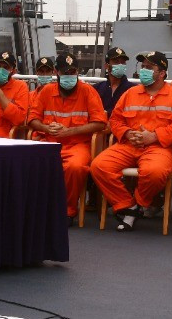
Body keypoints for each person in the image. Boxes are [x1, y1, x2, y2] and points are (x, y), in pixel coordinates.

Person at [90, 51, 172, 231]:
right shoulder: (131, 93)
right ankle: (128, 205)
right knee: (99, 166)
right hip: (128, 144)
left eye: (149, 67)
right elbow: (115, 119)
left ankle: (138, 204)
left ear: (162, 73)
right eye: (143, 67)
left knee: (155, 172)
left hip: (159, 147)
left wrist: (154, 136)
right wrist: (128, 133)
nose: (143, 70)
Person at [28, 53, 108, 219]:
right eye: (66, 72)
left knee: (75, 167)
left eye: (73, 72)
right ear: (57, 72)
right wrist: (46, 128)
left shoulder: (88, 92)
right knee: (29, 162)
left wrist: (69, 131)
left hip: (78, 145)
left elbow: (101, 123)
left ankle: (68, 210)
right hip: (48, 142)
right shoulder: (46, 91)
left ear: (78, 72)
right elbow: (32, 119)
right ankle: (37, 207)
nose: (69, 76)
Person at [94, 46, 134, 115]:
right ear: (107, 66)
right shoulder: (97, 88)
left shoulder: (132, 89)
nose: (120, 65)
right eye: (116, 62)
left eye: (123, 62)